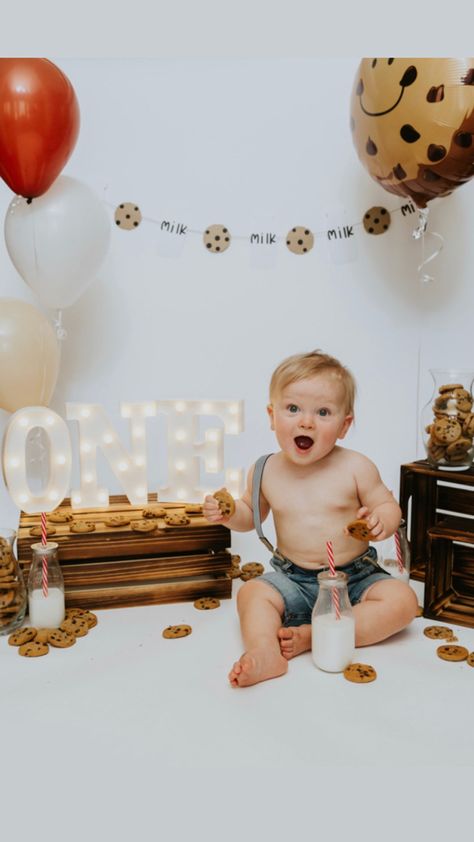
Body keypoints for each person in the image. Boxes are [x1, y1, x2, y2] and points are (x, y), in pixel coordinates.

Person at [203, 350, 418, 688]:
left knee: (403, 603)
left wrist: (381, 521)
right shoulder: (265, 469)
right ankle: (265, 652)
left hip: (354, 579)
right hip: (294, 579)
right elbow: (251, 515)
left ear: (344, 425)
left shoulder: (356, 467)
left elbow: (388, 506)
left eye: (323, 412)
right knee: (252, 595)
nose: (306, 422)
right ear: (272, 416)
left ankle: (314, 636)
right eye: (293, 409)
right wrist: (229, 514)